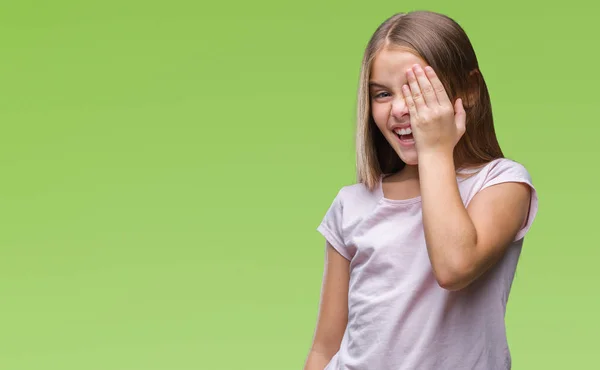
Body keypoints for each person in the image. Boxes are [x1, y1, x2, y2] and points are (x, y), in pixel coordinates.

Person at [303, 10, 539, 370]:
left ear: (469, 91)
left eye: (418, 91)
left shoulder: (501, 183)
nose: (399, 108)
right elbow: (324, 348)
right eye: (382, 94)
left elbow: (454, 266)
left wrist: (434, 150)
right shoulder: (351, 204)